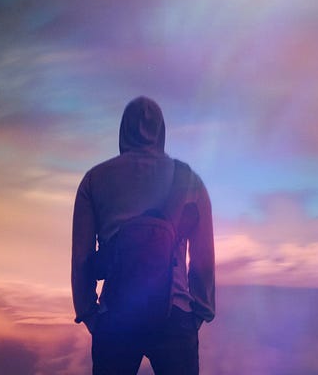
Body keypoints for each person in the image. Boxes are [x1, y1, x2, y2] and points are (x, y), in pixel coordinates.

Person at [72, 96, 215, 375]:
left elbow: (83, 257)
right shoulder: (189, 179)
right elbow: (203, 257)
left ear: (122, 131)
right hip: (175, 313)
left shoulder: (94, 179)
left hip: (116, 313)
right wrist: (199, 311)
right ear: (162, 132)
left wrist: (89, 313)